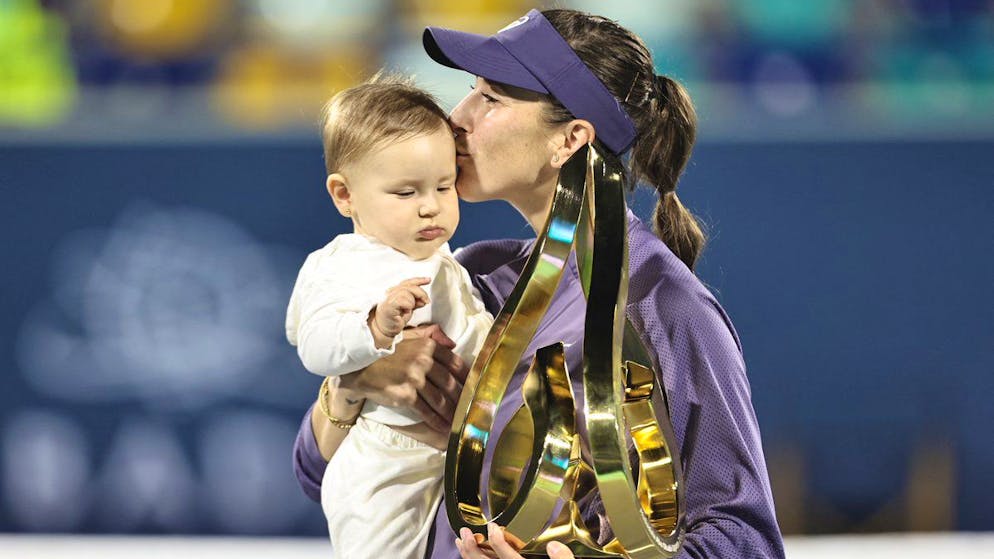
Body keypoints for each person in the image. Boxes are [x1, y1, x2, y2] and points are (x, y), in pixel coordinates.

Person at [292, 8, 786, 559]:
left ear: (569, 139)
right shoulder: (475, 274)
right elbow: (316, 472)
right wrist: (354, 386)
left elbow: (746, 541)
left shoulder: (664, 304)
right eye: (469, 90)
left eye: (491, 99)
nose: (457, 117)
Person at [285, 75, 494, 559]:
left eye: (444, 186)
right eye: (405, 193)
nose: (430, 206)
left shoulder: (449, 260)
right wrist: (375, 329)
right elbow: (312, 342)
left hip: (449, 456)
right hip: (385, 457)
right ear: (344, 195)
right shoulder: (343, 263)